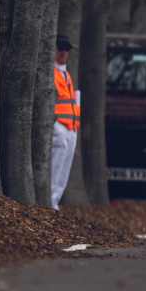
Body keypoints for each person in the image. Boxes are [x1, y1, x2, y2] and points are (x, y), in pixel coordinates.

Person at [50, 35, 81, 211]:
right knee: (56, 169)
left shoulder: (66, 74)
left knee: (63, 172)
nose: (63, 52)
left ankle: (55, 203)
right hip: (60, 127)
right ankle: (51, 203)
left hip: (70, 128)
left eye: (66, 49)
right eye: (60, 48)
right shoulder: (52, 72)